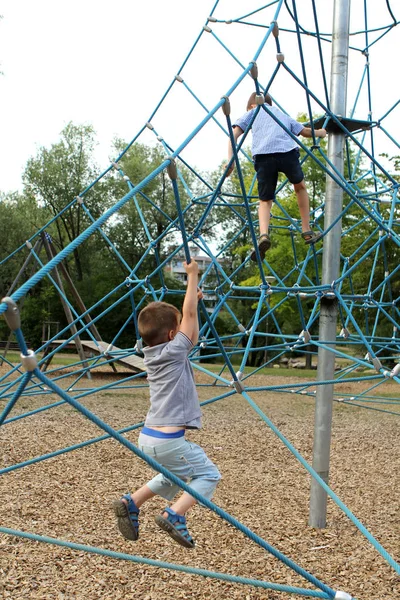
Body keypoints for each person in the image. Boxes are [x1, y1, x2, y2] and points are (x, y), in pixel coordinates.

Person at [113, 259, 221, 549]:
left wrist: (193, 300)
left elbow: (190, 326)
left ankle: (131, 501)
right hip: (169, 441)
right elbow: (187, 316)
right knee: (208, 474)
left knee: (174, 476)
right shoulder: (174, 352)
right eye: (179, 328)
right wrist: (192, 276)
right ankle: (174, 514)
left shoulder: (154, 353)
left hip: (149, 437)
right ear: (173, 335)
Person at [226, 92, 327, 261]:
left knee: (265, 201)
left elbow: (233, 135)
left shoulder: (252, 112)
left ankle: (264, 234)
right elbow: (304, 131)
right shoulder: (280, 113)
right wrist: (322, 132)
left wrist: (231, 160)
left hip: (263, 157)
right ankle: (306, 230)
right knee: (300, 187)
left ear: (252, 105)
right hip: (286, 153)